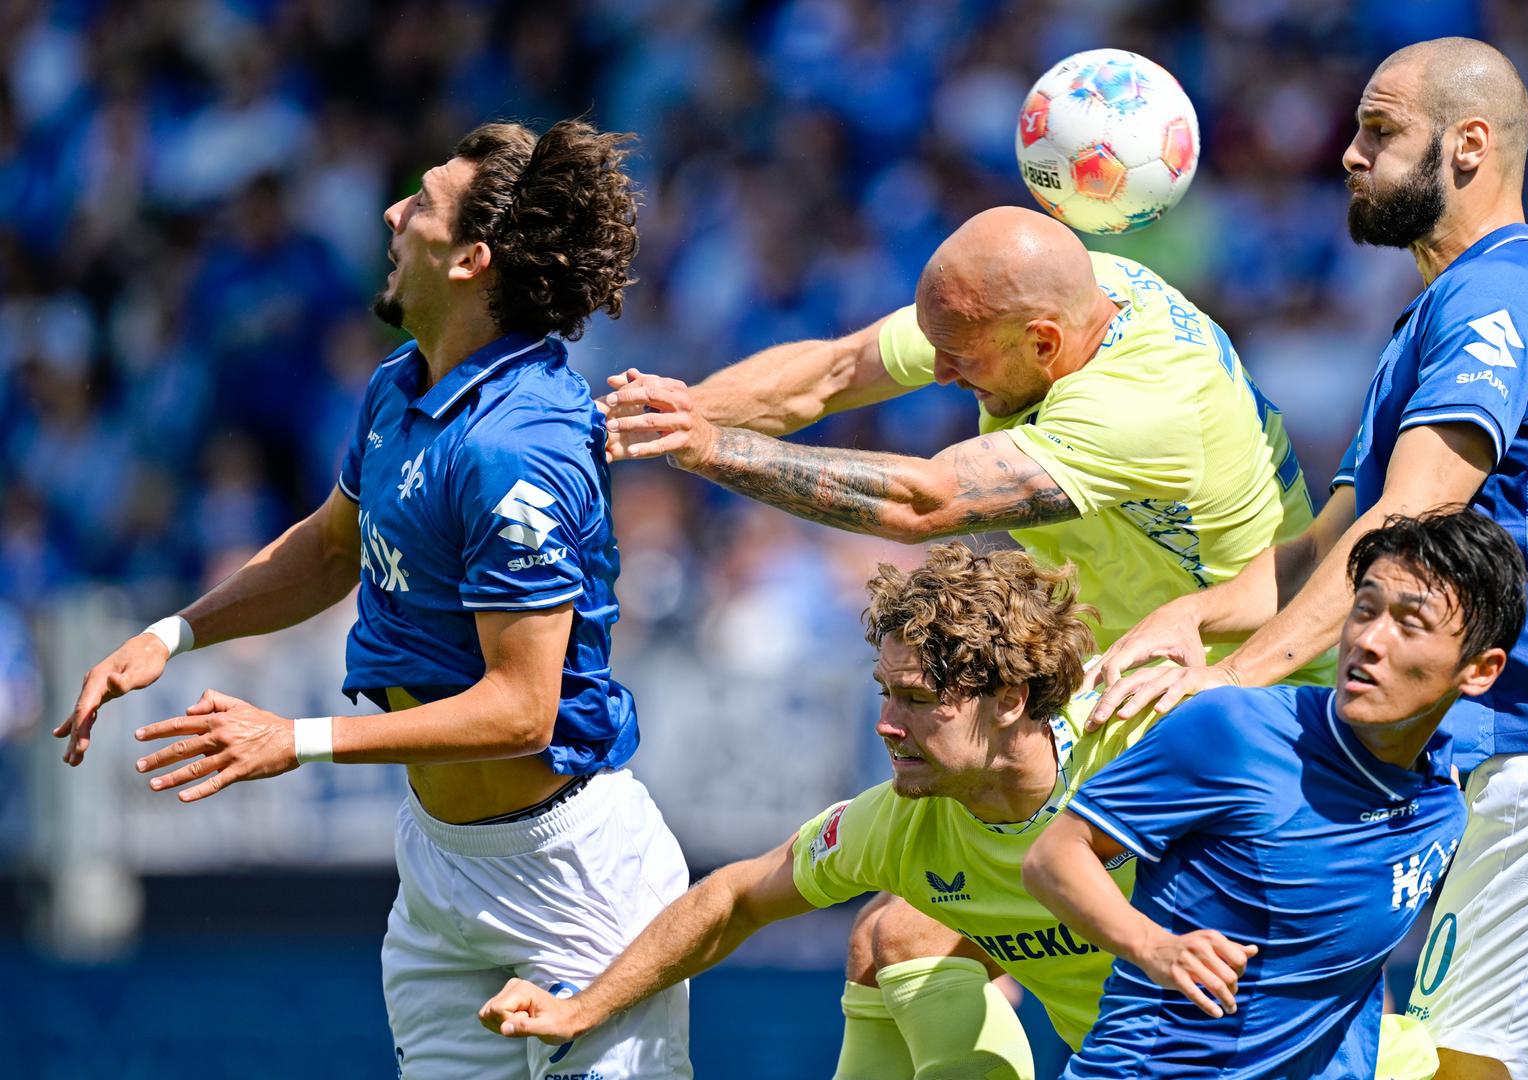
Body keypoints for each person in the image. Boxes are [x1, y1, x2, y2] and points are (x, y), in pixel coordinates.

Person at [1091, 38, 1528, 1080]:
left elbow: (1407, 520)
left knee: (1441, 1070)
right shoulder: (1438, 318)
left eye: (1380, 130)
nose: (1349, 153)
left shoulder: (1503, 296)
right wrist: (1199, 616)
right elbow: (1330, 542)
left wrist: (1236, 681)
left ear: (1469, 145)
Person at [601, 203, 1334, 1073]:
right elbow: (833, 374)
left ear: (1046, 344)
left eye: (962, 356)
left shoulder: (1144, 407)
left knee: (1228, 1015)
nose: (941, 373)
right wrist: (645, 425)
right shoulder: (1048, 301)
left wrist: (714, 449)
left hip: (1244, 717)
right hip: (1126, 697)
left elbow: (926, 504)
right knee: (895, 940)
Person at [54, 120, 692, 1080]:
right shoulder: (401, 386)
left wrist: (295, 740)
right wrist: (175, 632)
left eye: (421, 202)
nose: (392, 213)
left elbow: (524, 710)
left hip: (574, 885)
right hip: (440, 869)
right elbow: (328, 548)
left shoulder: (515, 447)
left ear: (473, 259)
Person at [477, 544, 1435, 1080]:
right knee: (895, 935)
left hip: (1331, 1064)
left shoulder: (1155, 742)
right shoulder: (906, 821)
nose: (886, 724)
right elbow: (733, 897)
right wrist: (581, 1007)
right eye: (882, 691)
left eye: (916, 697)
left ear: (1009, 699)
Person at [1026, 509, 1523, 1078]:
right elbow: (1053, 857)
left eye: (1410, 623)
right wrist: (1154, 946)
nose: (1368, 641)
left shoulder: (1442, 803)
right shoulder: (1232, 729)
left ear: (1480, 671)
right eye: (1363, 609)